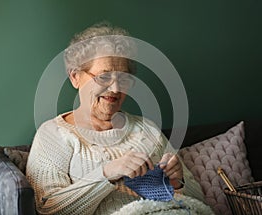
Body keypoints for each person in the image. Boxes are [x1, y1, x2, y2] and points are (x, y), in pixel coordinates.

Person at [26, 22, 209, 215]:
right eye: (104, 77)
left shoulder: (147, 128)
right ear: (75, 77)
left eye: (123, 79)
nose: (115, 89)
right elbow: (48, 209)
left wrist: (178, 183)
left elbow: (200, 201)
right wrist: (106, 174)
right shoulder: (52, 135)